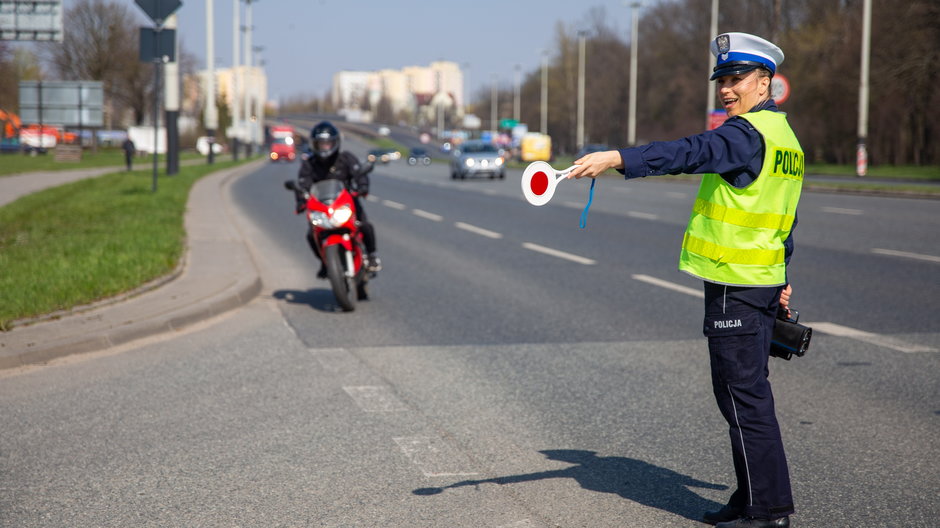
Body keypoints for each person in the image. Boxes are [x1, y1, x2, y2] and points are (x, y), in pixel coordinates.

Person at [568, 32, 801, 528]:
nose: (726, 89)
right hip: (758, 282)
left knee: (744, 399)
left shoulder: (745, 134)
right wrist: (782, 277)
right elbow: (784, 218)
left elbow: (690, 151)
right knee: (746, 396)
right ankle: (753, 498)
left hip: (735, 289)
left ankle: (767, 512)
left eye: (736, 79)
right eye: (721, 80)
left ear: (765, 83)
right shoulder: (786, 140)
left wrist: (617, 159)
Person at [296, 121, 380, 277]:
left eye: (328, 143)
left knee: (365, 226)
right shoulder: (309, 164)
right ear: (315, 144)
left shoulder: (346, 158)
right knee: (311, 235)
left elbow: (359, 173)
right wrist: (301, 201)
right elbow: (302, 185)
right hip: (322, 208)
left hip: (346, 204)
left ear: (335, 142)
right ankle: (325, 262)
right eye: (321, 143)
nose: (325, 146)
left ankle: (372, 256)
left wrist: (362, 187)